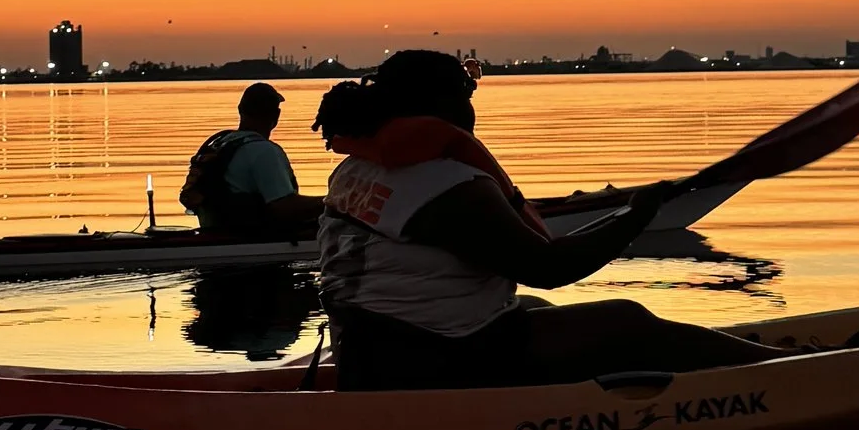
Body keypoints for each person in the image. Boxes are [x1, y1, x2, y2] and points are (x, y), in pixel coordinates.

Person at [312, 50, 777, 391]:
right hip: (433, 363)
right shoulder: (445, 186)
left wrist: (628, 213)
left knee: (534, 311)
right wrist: (637, 217)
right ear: (445, 104)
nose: (473, 105)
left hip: (372, 351)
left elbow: (531, 256)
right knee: (626, 319)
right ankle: (790, 370)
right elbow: (549, 268)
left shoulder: (355, 168)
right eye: (467, 90)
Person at [180, 80, 314, 240]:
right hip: (252, 239)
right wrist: (331, 202)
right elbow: (283, 206)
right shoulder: (265, 151)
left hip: (215, 232)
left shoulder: (220, 142)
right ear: (276, 115)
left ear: (240, 110)